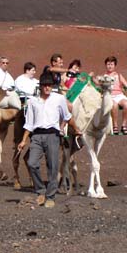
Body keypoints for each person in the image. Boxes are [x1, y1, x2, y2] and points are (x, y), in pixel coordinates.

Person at [17, 72, 81, 208]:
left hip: (53, 135)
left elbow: (67, 116)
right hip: (36, 136)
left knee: (53, 166)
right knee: (32, 163)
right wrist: (23, 141)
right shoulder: (32, 101)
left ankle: (50, 196)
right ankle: (40, 191)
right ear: (40, 86)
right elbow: (29, 123)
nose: (47, 88)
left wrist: (76, 129)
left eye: (49, 85)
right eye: (45, 85)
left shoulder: (59, 99)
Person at [103, 56, 127, 135]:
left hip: (119, 95)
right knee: (114, 105)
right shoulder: (104, 76)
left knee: (126, 104)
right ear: (106, 65)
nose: (110, 66)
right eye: (108, 64)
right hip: (110, 96)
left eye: (112, 64)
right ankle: (115, 126)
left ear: (115, 65)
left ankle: (124, 125)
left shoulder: (118, 75)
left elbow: (125, 84)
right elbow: (101, 86)